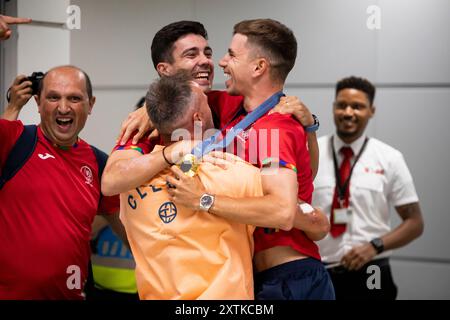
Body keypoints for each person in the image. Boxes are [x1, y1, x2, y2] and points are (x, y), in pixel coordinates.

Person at [162, 19, 335, 300]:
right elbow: (178, 99)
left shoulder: (275, 127)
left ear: (258, 67)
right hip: (257, 278)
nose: (220, 61)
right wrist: (147, 109)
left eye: (232, 54)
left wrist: (203, 200)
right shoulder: (236, 110)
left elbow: (281, 210)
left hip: (290, 278)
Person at [120, 71, 265, 299]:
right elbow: (288, 211)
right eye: (208, 104)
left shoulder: (129, 182)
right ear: (198, 119)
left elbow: (114, 173)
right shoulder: (231, 172)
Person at [0, 66, 123, 299]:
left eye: (74, 98)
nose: (63, 107)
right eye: (53, 97)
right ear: (37, 103)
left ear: (91, 104)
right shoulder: (14, 140)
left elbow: (131, 233)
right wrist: (13, 107)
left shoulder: (99, 164)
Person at [312, 76, 424, 300]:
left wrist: (375, 246)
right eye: (342, 105)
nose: (348, 112)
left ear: (371, 111)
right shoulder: (311, 153)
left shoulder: (389, 158)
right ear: (334, 108)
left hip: (373, 268)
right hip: (321, 269)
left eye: (358, 106)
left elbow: (415, 223)